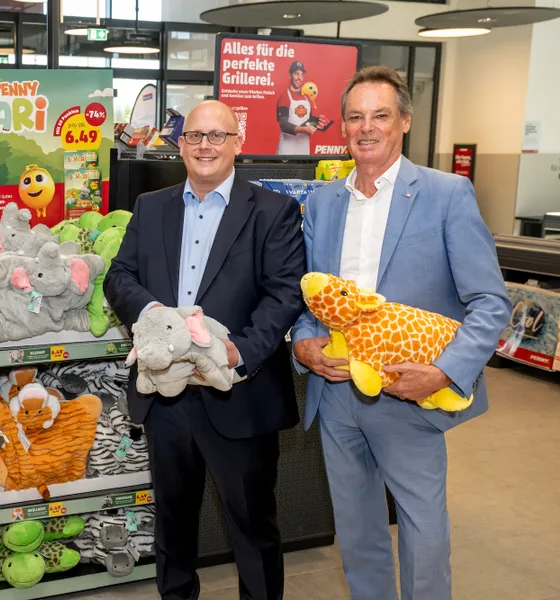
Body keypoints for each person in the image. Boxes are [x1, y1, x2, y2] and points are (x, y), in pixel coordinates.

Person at [291, 66, 511, 600]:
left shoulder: (446, 193)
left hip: (409, 391)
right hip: (337, 392)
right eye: (355, 117)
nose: (366, 128)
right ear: (342, 126)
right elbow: (313, 296)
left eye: (380, 116)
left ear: (404, 121)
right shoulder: (322, 201)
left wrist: (444, 372)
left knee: (422, 528)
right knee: (356, 529)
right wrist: (302, 341)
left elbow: (490, 301)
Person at [105, 100, 306, 600]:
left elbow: (285, 294)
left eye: (218, 135)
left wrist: (238, 354)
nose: (205, 145)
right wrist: (153, 314)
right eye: (194, 135)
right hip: (166, 395)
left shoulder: (273, 211)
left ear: (238, 142)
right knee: (173, 526)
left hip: (237, 395)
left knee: (253, 528)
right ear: (180, 144)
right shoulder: (152, 207)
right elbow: (120, 276)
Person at [275, 60, 330, 155]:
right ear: (290, 76)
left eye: (301, 75)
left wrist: (317, 121)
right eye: (296, 74)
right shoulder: (284, 97)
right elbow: (283, 124)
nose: (299, 78)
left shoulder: (307, 98)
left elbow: (309, 121)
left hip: (303, 149)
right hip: (287, 150)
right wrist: (304, 129)